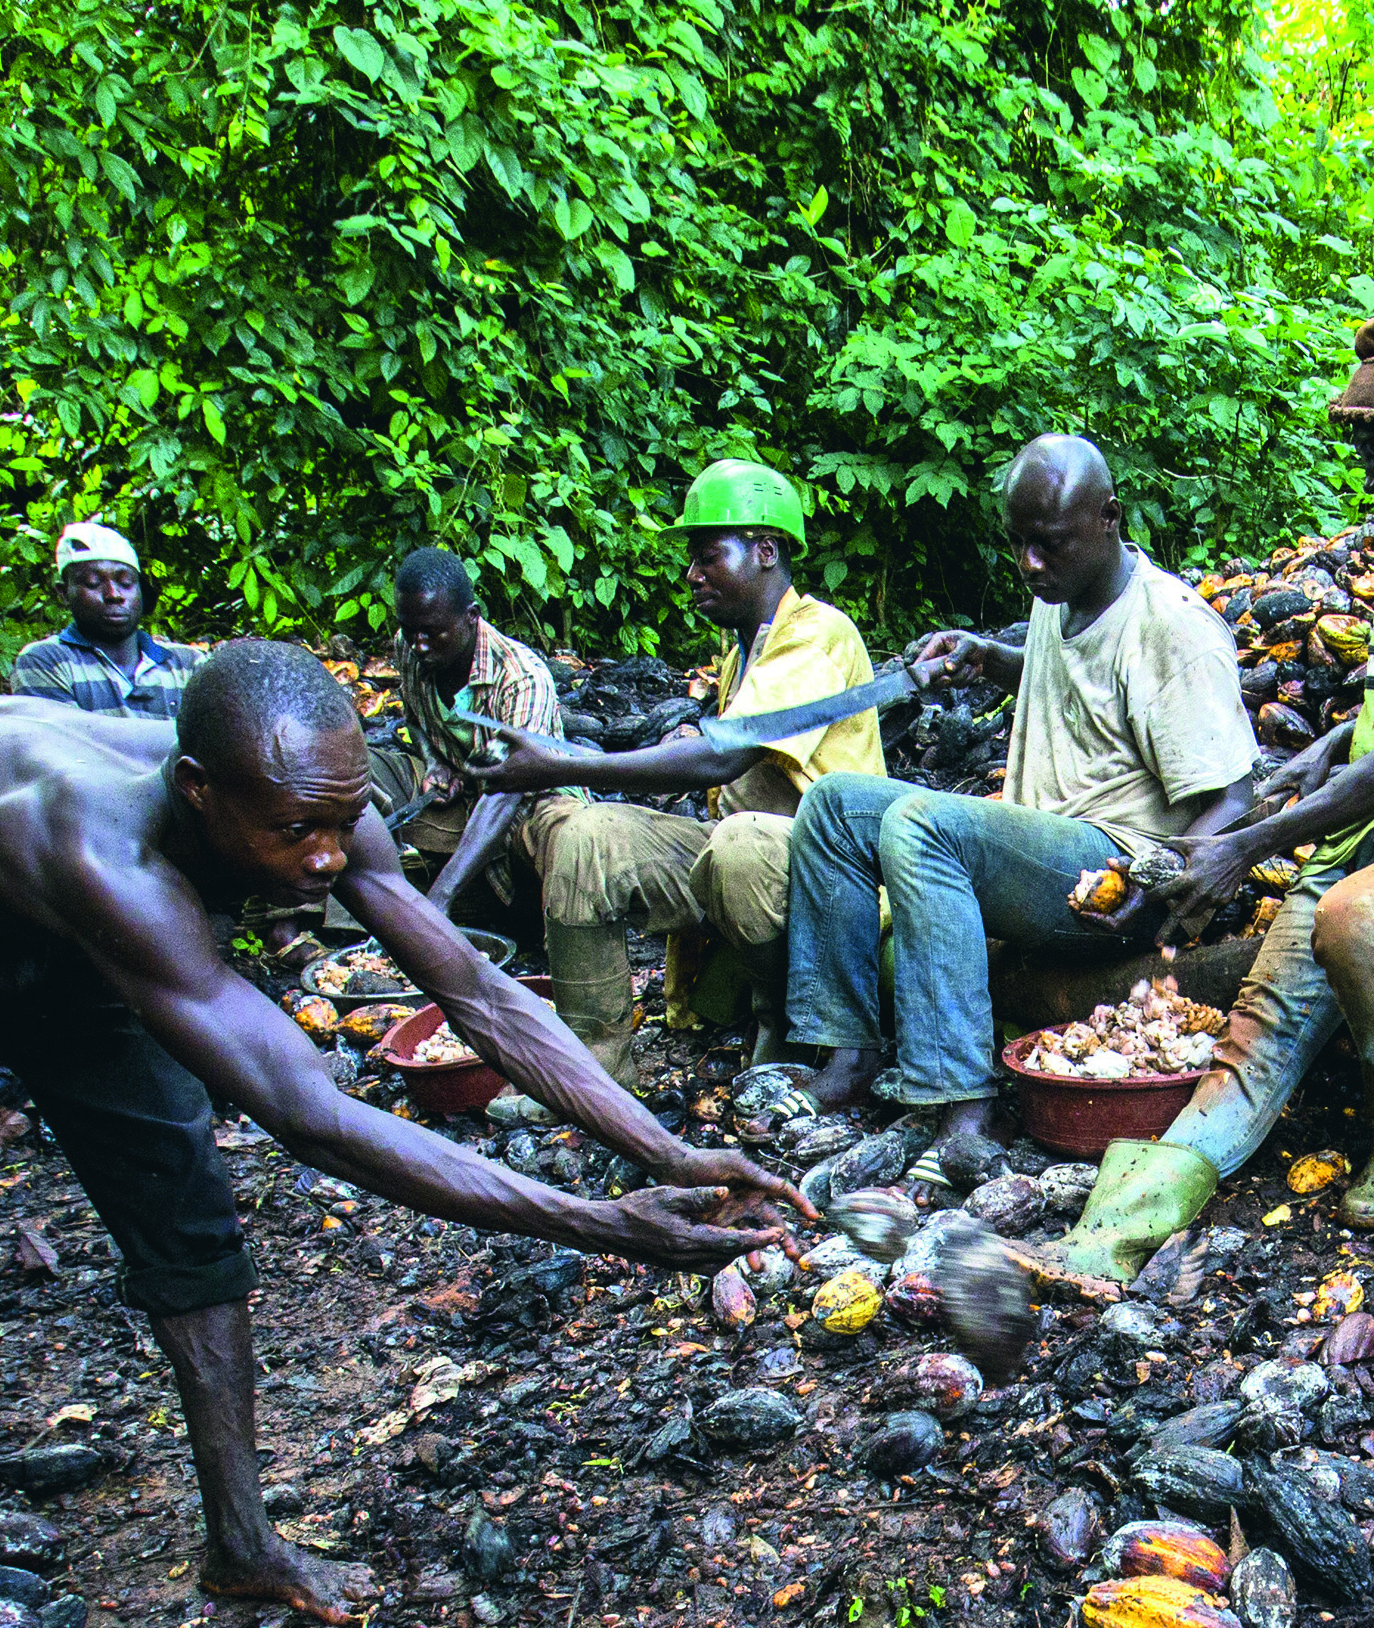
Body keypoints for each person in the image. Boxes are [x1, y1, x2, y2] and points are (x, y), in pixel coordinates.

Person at [0, 647, 807, 1620]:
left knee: (186, 1220)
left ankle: (241, 1543)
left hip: (53, 938)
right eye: (295, 835)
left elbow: (477, 990)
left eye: (341, 824)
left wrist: (666, 1151)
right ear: (198, 794)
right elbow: (313, 1117)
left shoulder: (315, 798)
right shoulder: (108, 857)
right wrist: (602, 1225)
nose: (329, 859)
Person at [1043, 302, 1374, 1281]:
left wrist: (1247, 843)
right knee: (1250, 1049)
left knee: (1355, 919)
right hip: (1368, 824)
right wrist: (1298, 772)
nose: (1365, 471)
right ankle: (1104, 1241)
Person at [790, 434, 1260, 1191]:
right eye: (1017, 545)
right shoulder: (1064, 590)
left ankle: (963, 1102)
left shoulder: (1171, 626)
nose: (1029, 565)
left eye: (1047, 545)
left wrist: (1152, 882)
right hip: (1045, 849)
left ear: (1109, 517)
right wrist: (990, 655)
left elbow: (1234, 799)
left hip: (1118, 876)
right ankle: (848, 1052)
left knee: (920, 824)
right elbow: (1086, 686)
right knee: (835, 805)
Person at [468, 459, 884, 1082]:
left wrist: (558, 760)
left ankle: (784, 1024)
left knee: (738, 846)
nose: (692, 575)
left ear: (765, 551)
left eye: (707, 556)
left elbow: (726, 754)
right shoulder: (742, 646)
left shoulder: (818, 634)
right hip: (742, 859)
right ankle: (594, 1071)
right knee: (587, 835)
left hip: (827, 876)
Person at [373, 544, 563, 930]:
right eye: (410, 632)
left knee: (565, 834)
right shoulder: (410, 644)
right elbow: (416, 719)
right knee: (357, 772)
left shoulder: (522, 677)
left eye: (432, 633)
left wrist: (441, 895)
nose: (418, 645)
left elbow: (507, 791)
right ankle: (349, 923)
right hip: (461, 801)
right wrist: (434, 762)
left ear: (471, 617)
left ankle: (519, 920)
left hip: (523, 810)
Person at [9, 521, 203, 719]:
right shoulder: (46, 661)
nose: (113, 594)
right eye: (93, 583)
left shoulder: (188, 663)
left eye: (125, 583)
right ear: (64, 593)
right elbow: (65, 743)